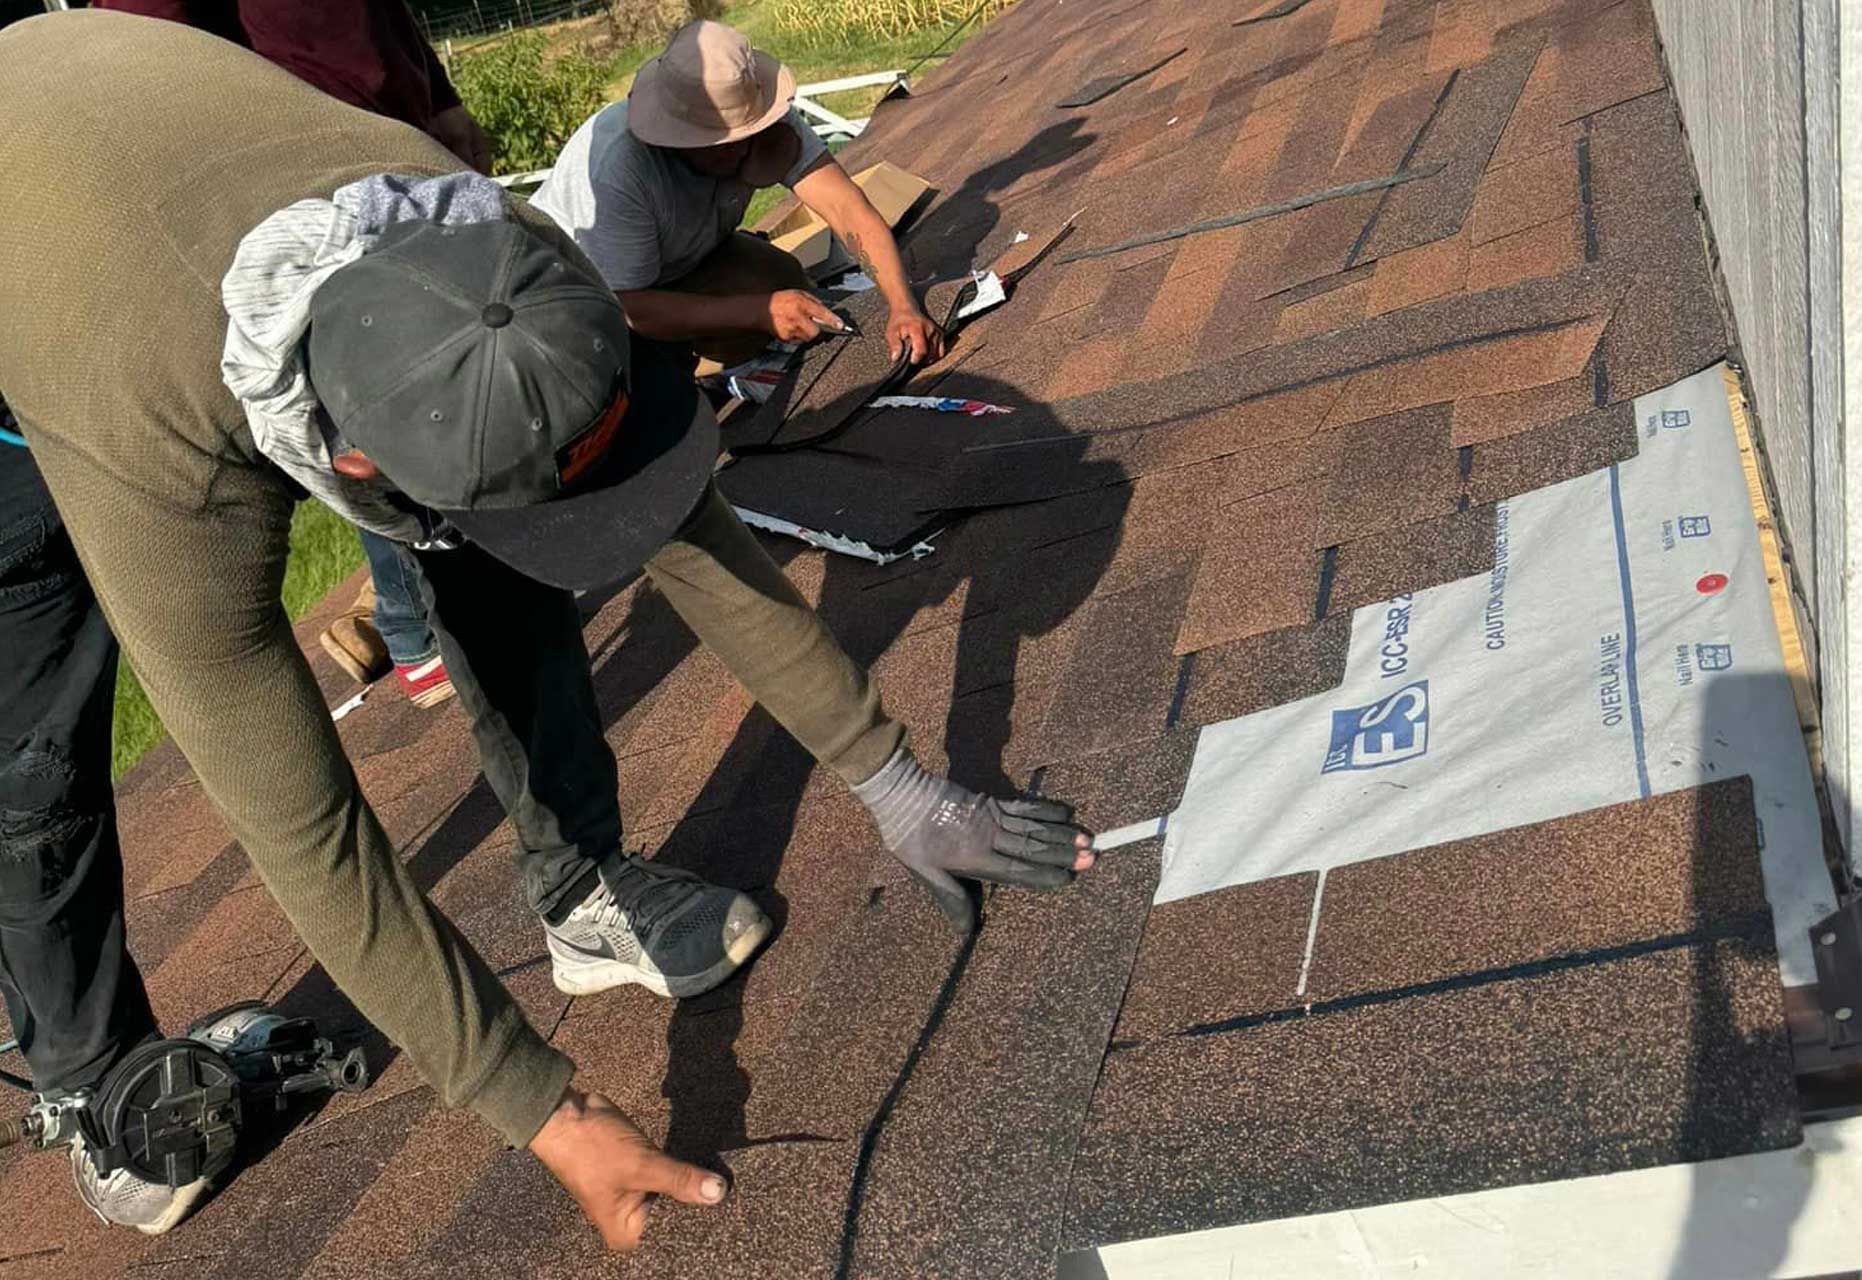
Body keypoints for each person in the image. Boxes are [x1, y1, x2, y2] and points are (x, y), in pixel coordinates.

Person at [0, 9, 1090, 1249]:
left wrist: (899, 785)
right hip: (51, 302)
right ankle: (91, 1078)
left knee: (512, 511)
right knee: (31, 718)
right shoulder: (169, 482)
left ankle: (579, 886)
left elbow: (681, 526)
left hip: (160, 149)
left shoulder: (498, 247)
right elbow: (307, 827)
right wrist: (546, 1106)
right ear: (349, 464)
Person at [95, 0, 497, 709]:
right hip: (301, 173)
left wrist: (438, 95)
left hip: (385, 144)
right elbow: (142, 39)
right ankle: (419, 628)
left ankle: (412, 617)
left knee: (426, 378)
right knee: (378, 402)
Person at [532, 20, 947, 371]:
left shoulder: (761, 114)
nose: (738, 151)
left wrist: (902, 304)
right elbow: (631, 306)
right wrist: (759, 312)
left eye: (745, 138)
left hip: (680, 259)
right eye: (718, 144)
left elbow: (846, 208)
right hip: (586, 299)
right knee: (647, 382)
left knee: (785, 286)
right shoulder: (619, 168)